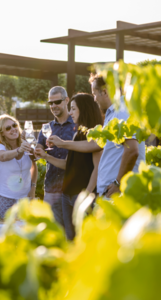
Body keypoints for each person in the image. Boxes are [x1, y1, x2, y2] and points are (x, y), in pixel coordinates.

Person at [47, 74, 146, 199]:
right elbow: (97, 144)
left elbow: (132, 150)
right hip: (110, 191)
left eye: (94, 94)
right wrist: (62, 143)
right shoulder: (112, 113)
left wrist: (118, 183)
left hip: (119, 192)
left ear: (104, 92)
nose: (94, 99)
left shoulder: (123, 111)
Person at [36, 93, 103, 240]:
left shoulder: (96, 134)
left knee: (82, 241)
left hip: (82, 196)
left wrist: (86, 196)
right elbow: (68, 165)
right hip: (67, 195)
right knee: (69, 239)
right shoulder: (77, 134)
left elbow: (97, 170)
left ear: (84, 110)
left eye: (73, 109)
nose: (70, 112)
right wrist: (46, 156)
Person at [36, 86, 76, 226]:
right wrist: (34, 149)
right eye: (50, 103)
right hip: (51, 188)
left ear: (66, 100)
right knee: (53, 233)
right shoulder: (46, 127)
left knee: (73, 235)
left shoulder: (77, 126)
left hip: (73, 189)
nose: (53, 106)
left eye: (57, 102)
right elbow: (39, 148)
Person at [0, 115, 38, 218]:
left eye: (14, 125)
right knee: (6, 229)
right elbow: (2, 156)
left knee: (24, 229)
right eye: (8, 128)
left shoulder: (26, 144)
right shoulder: (0, 146)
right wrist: (19, 150)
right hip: (5, 197)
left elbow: (34, 166)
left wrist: (33, 188)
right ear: (2, 133)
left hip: (25, 196)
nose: (13, 129)